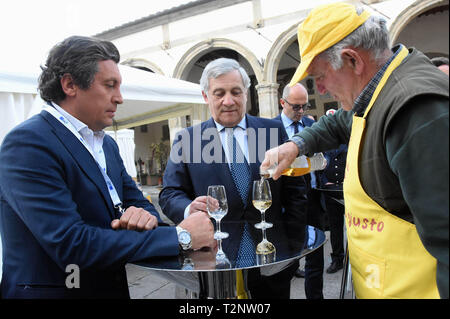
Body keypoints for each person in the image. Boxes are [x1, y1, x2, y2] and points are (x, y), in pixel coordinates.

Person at [0, 36, 214, 299]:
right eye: (110, 85)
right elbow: (70, 244)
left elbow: (140, 202)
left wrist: (142, 216)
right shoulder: (28, 144)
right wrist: (180, 237)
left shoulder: (107, 145)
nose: (120, 98)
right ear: (69, 84)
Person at [261, 2, 448, 299]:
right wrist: (294, 145)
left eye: (320, 75)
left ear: (352, 60)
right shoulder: (378, 93)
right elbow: (337, 125)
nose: (319, 90)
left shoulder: (415, 110)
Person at [159, 58, 303, 299]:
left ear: (246, 93)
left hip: (273, 259)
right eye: (219, 93)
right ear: (206, 96)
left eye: (236, 91)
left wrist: (293, 250)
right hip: (214, 263)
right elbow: (169, 193)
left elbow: (296, 193)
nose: (229, 101)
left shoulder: (272, 132)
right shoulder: (187, 140)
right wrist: (188, 209)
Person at [274, 83, 325, 299]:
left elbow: (324, 157)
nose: (301, 111)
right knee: (288, 259)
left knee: (316, 254)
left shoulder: (310, 126)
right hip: (286, 204)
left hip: (312, 196)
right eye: (296, 107)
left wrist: (319, 162)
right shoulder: (269, 128)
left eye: (305, 106)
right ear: (282, 103)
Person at [320, 110, 347, 274]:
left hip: (347, 189)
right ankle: (337, 259)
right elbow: (318, 164)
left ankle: (355, 259)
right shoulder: (323, 141)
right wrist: (324, 181)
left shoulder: (348, 138)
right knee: (335, 227)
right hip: (330, 191)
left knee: (353, 226)